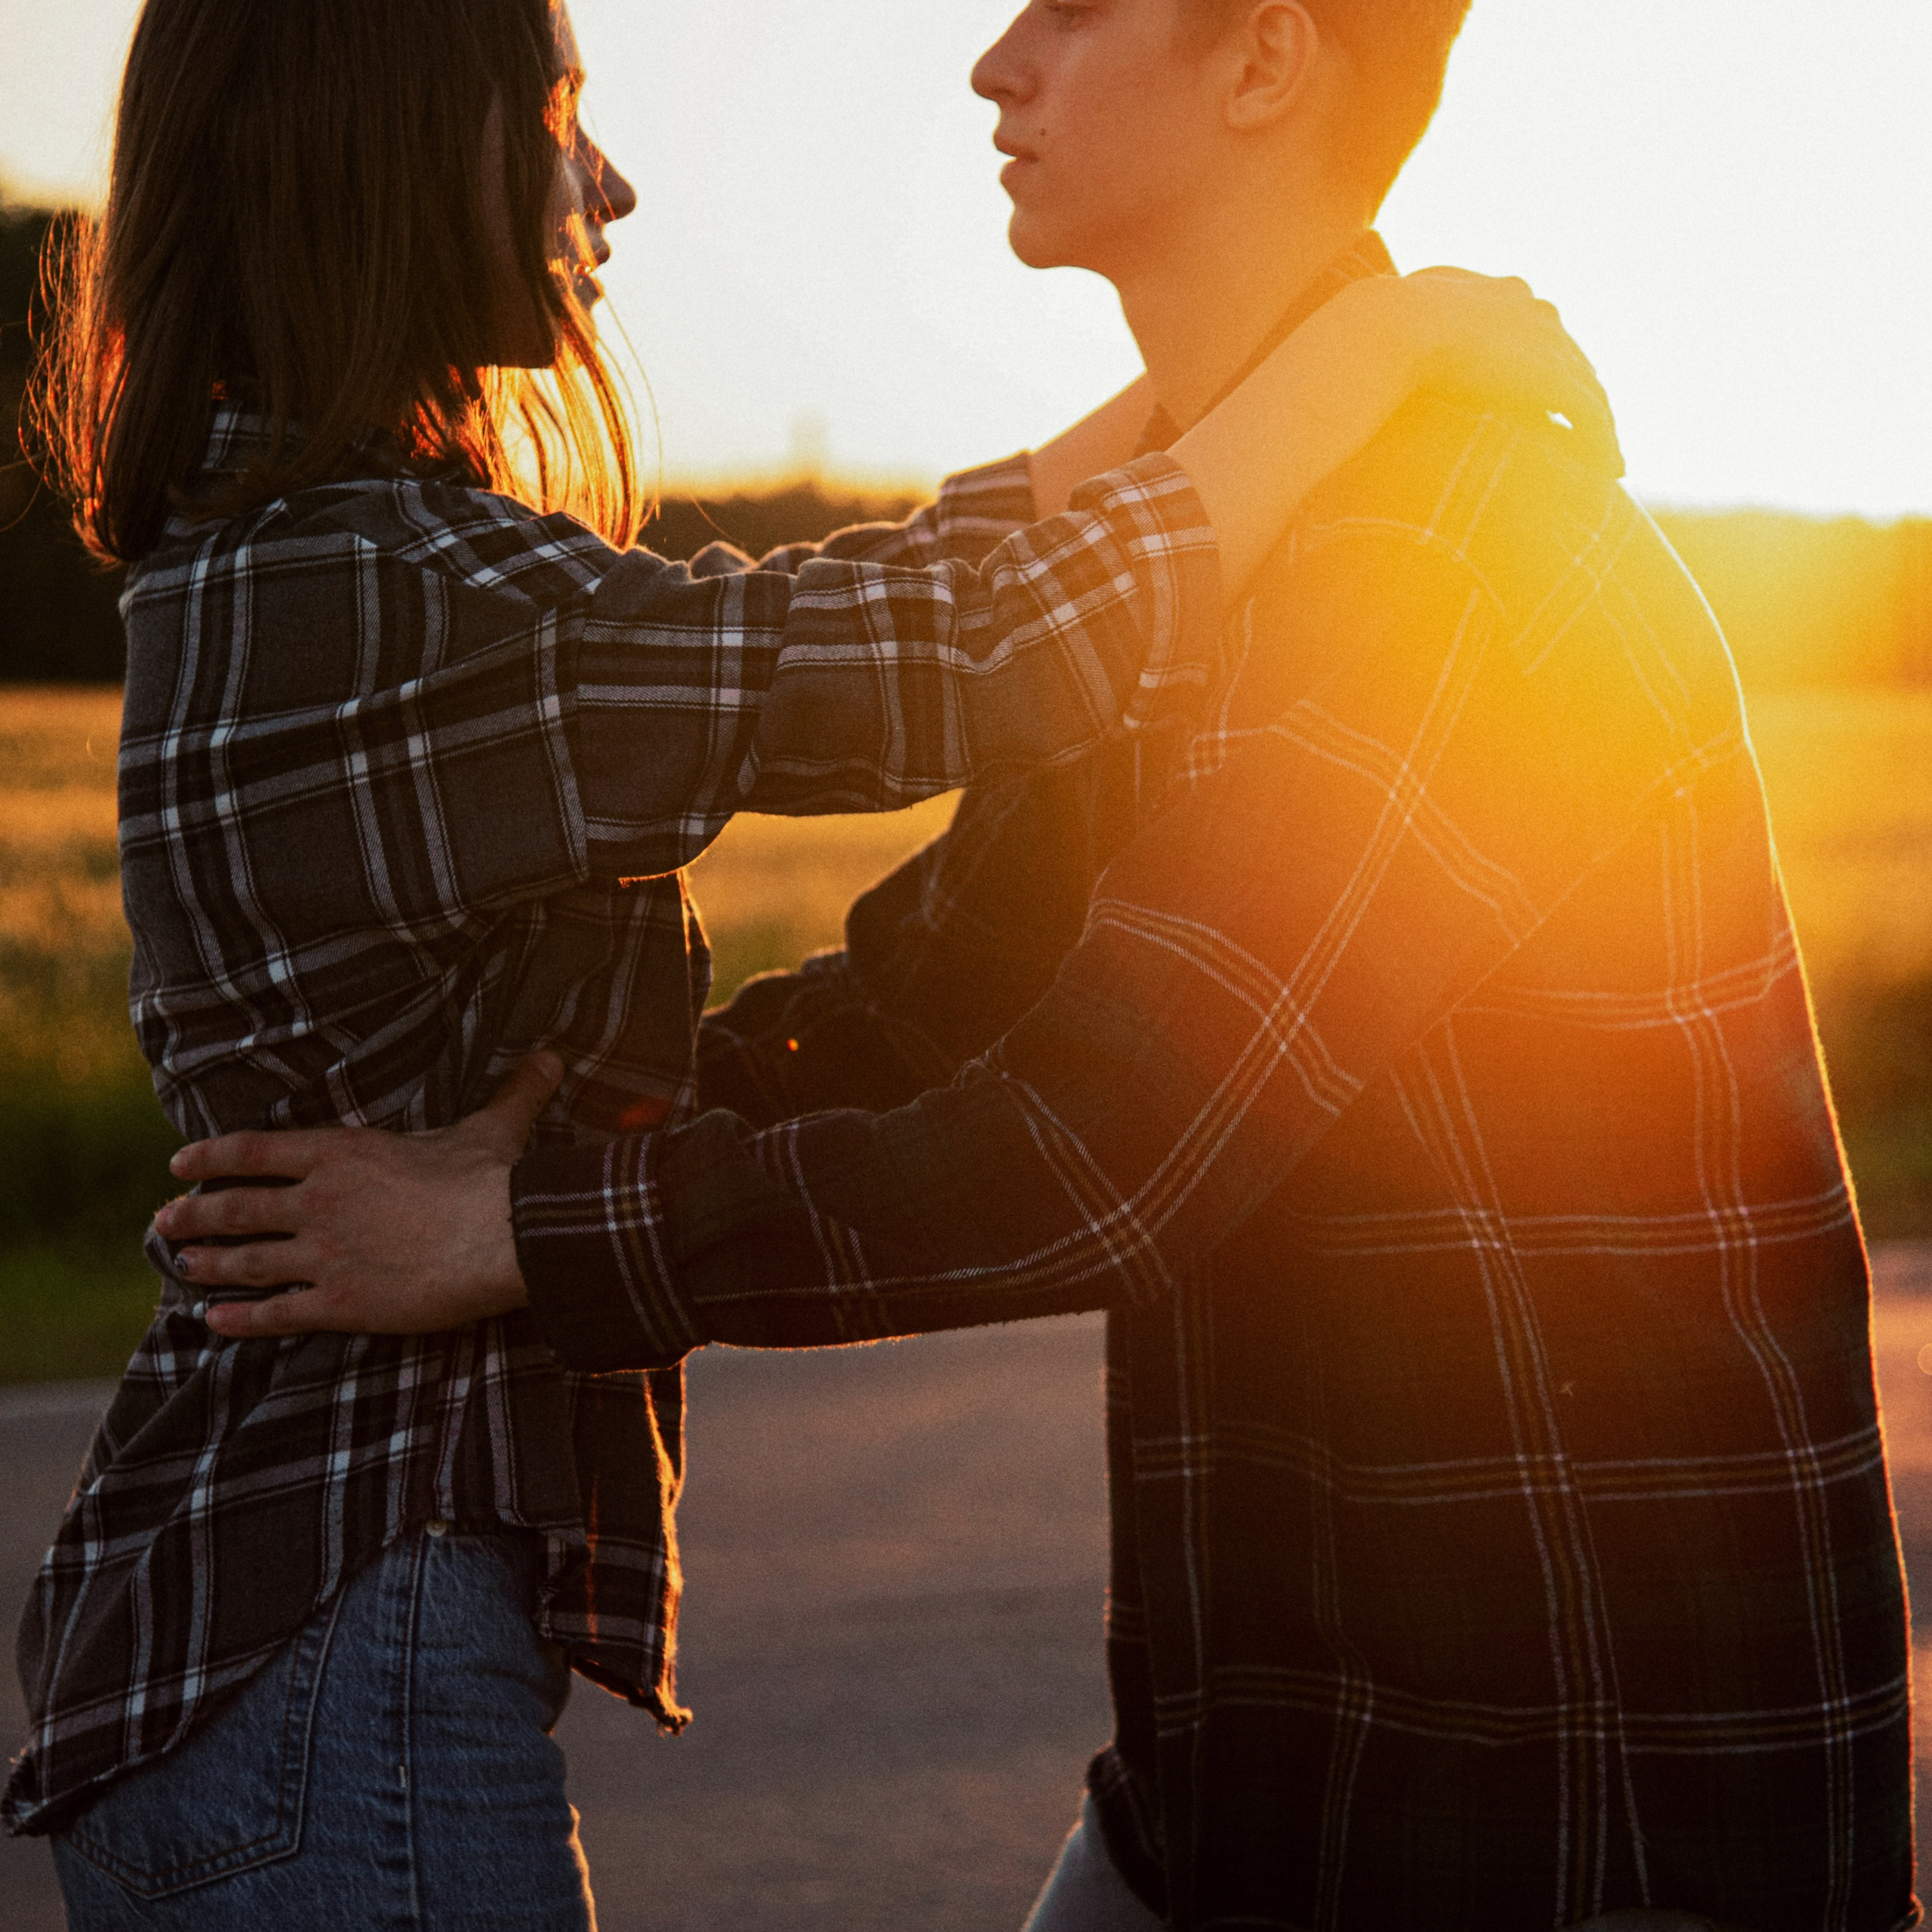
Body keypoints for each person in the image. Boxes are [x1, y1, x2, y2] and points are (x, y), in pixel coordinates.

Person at [163, 2, 1916, 1927]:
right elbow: (931, 993)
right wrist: (522, 1178)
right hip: (1247, 1787)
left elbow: (1106, 1129)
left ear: (1264, 62)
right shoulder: (1200, 568)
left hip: (1560, 1800)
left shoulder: (1431, 535)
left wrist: (524, 1225)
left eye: (1070, 7)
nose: (994, 63)